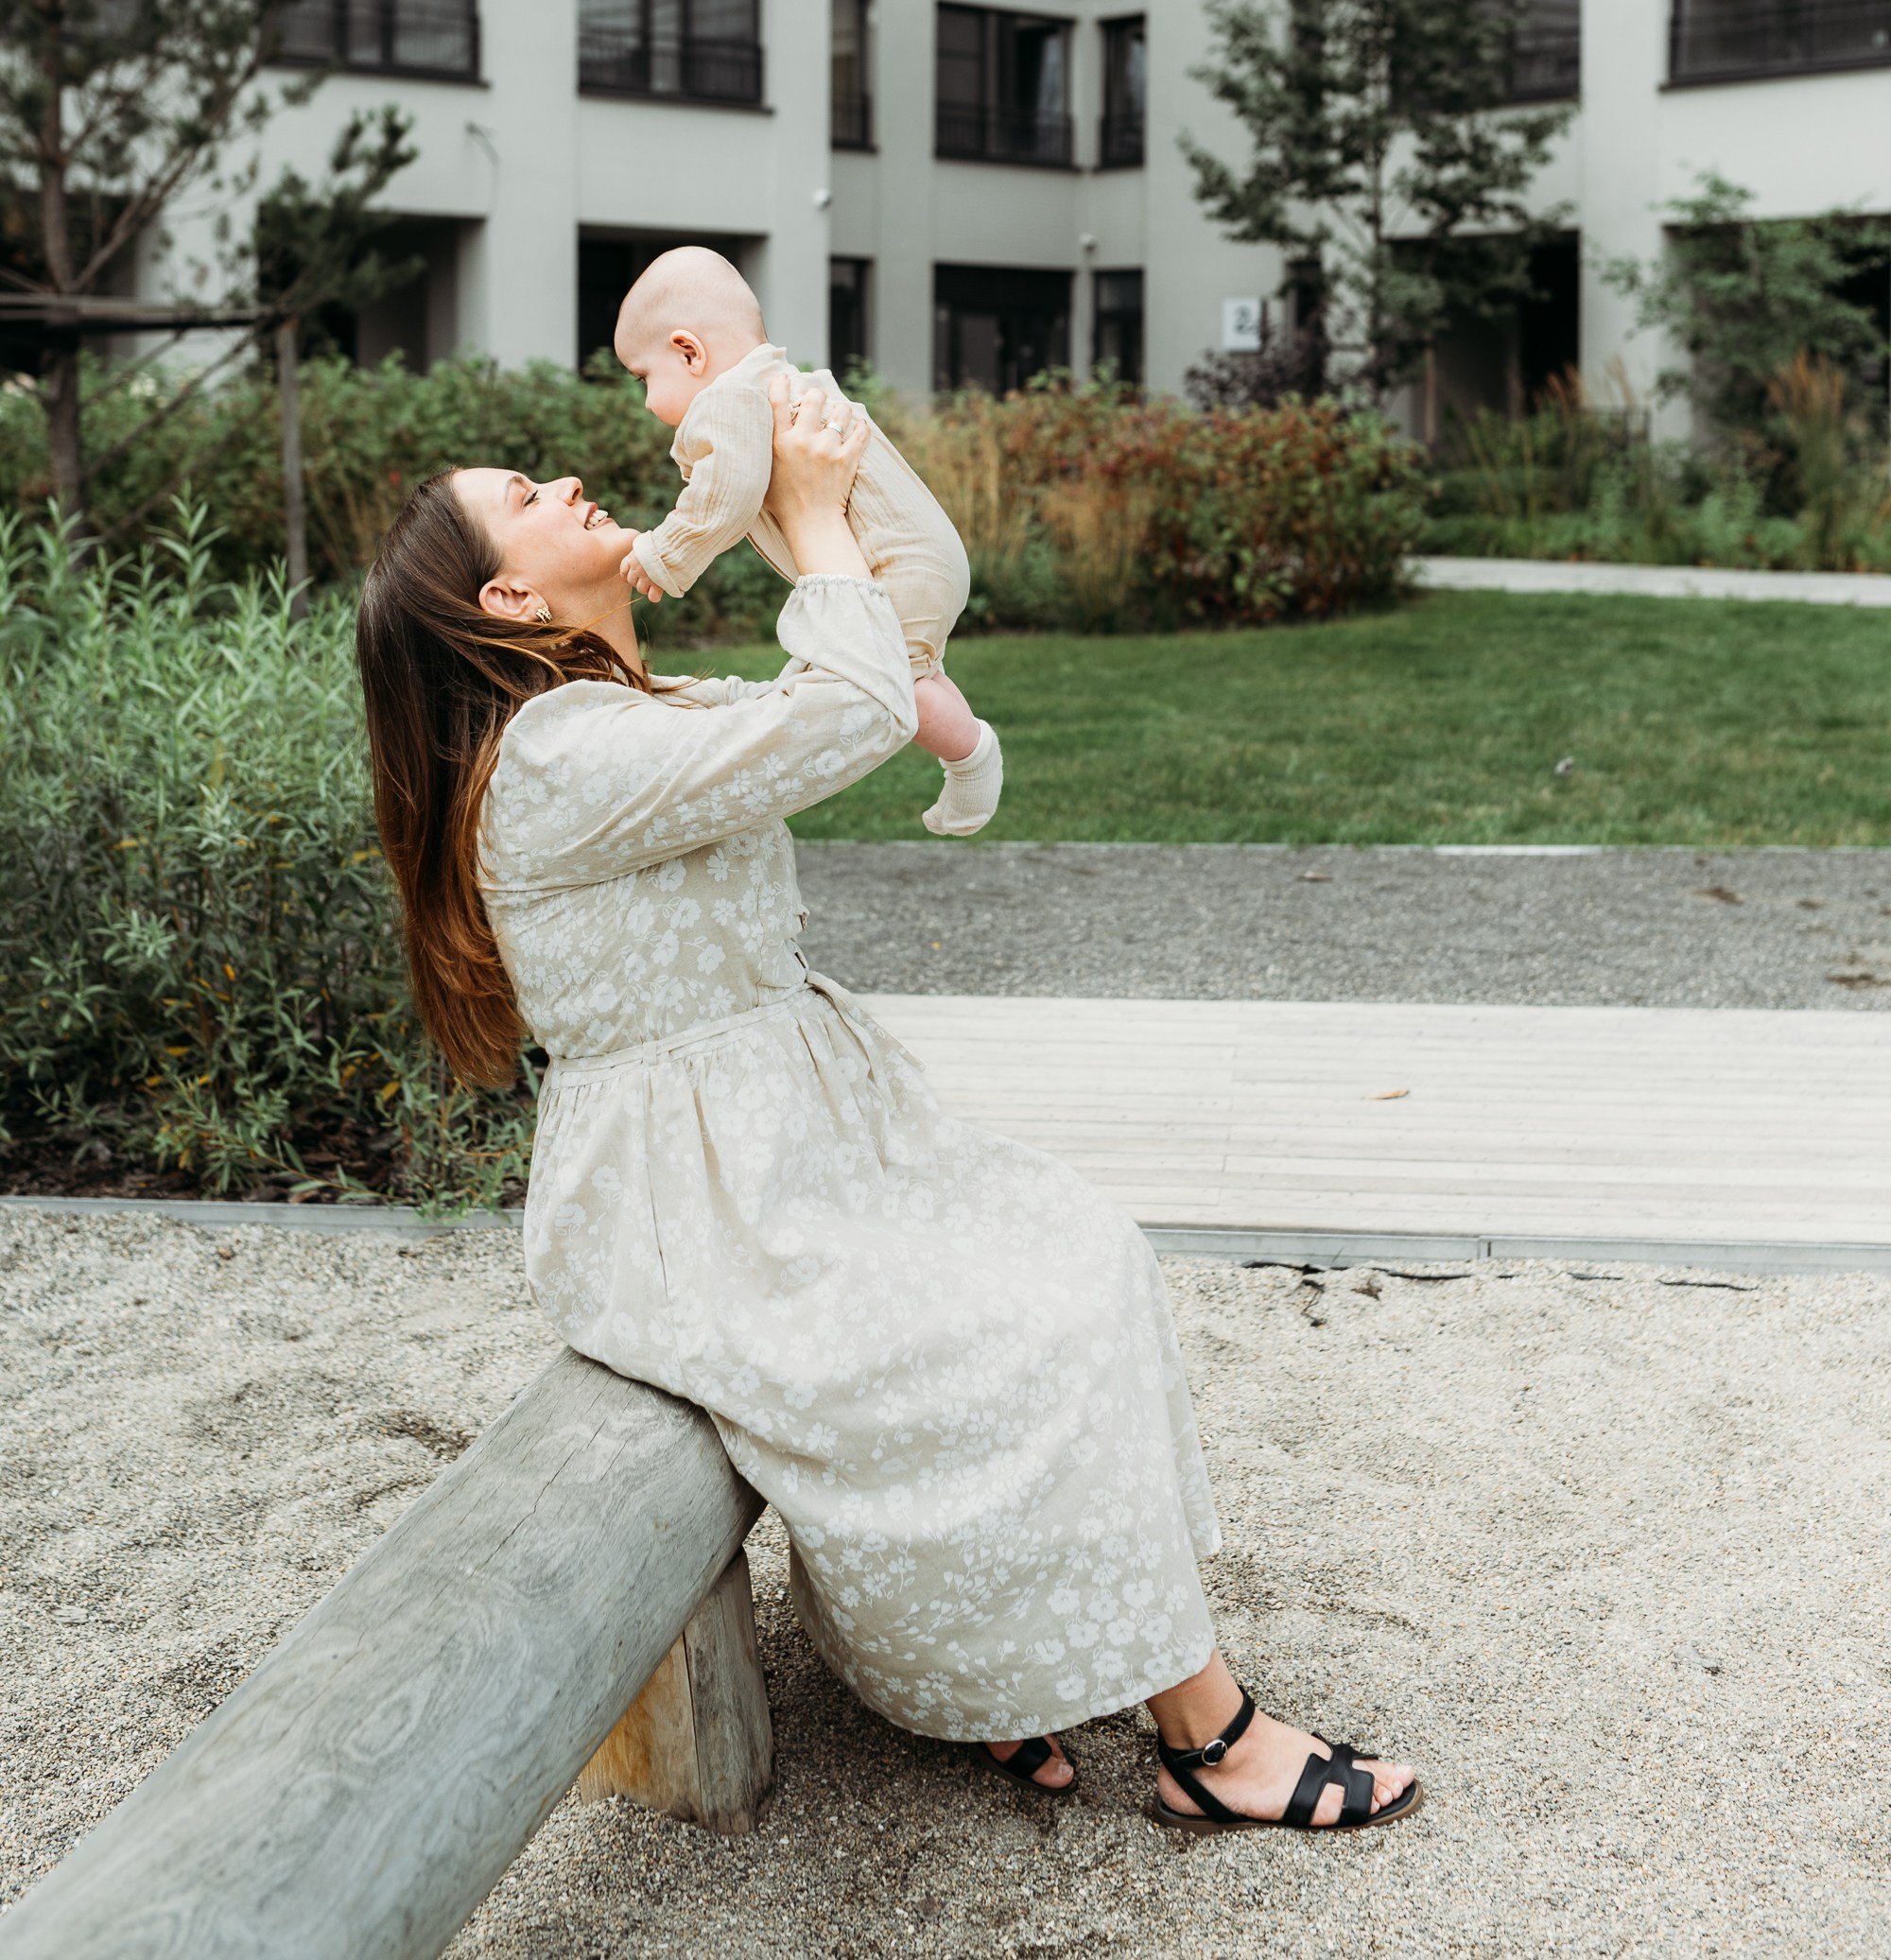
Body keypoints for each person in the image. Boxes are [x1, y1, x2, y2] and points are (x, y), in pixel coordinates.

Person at [355, 379, 1419, 1833]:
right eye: (528, 499)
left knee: (1075, 1254)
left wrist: (808, 520)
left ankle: (997, 1677)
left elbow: (847, 687)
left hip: (788, 1153)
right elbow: (842, 711)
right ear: (507, 592)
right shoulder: (550, 761)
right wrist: (800, 516)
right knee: (1027, 1322)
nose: (563, 487)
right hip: (703, 1211)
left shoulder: (620, 709)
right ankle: (1209, 1735)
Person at [612, 245, 1002, 840]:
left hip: (896, 563)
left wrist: (666, 554)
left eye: (645, 378)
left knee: (873, 680)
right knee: (911, 668)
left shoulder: (728, 398)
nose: (646, 401)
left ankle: (971, 757)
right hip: (920, 557)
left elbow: (728, 494)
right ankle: (965, 748)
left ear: (689, 352)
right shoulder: (781, 382)